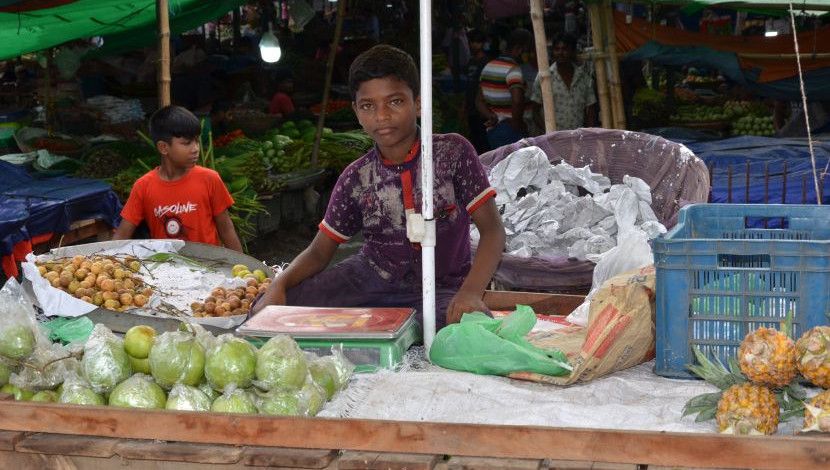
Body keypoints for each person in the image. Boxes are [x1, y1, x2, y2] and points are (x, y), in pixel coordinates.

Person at [252, 45, 506, 328]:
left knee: (470, 327)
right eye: (368, 106)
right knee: (273, 308)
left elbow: (493, 231)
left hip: (441, 288)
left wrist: (470, 292)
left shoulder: (453, 153)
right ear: (356, 111)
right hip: (369, 282)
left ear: (418, 103)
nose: (381, 116)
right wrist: (279, 284)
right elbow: (319, 252)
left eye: (394, 102)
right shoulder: (356, 178)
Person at [113, 106, 243, 252]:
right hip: (165, 264)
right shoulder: (143, 186)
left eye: (196, 141)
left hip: (209, 263)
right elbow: (122, 234)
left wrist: (242, 263)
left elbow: (226, 229)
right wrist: (105, 259)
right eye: (187, 143)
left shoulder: (210, 179)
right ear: (163, 147)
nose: (195, 149)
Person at [476, 28, 533, 149]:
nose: (529, 54)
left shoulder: (488, 67)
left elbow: (479, 101)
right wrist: (518, 124)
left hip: (494, 129)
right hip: (512, 130)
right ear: (519, 49)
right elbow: (517, 100)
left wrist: (491, 116)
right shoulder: (513, 70)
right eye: (527, 50)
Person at [531, 34, 597, 131]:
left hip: (577, 135)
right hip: (552, 136)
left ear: (573, 52)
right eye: (557, 49)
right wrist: (548, 132)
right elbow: (535, 110)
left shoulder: (583, 77)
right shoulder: (544, 77)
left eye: (565, 49)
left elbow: (591, 108)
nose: (560, 53)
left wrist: (587, 133)